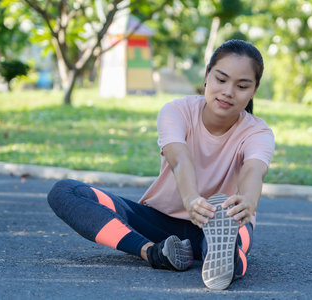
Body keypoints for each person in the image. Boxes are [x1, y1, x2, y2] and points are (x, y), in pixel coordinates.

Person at [47, 39, 275, 290]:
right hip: (160, 222)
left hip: (221, 219)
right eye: (221, 80)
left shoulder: (257, 132)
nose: (228, 92)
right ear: (207, 75)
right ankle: (153, 252)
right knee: (65, 191)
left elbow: (253, 170)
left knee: (236, 232)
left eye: (241, 86)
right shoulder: (176, 111)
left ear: (254, 89)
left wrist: (249, 201)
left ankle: (227, 257)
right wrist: (191, 199)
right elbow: (179, 158)